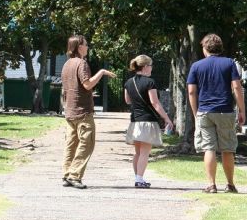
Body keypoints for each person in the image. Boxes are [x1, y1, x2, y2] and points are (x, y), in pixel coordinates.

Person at [186, 34, 246, 193]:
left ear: (205, 48)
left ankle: (211, 184)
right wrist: (241, 110)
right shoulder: (229, 63)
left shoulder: (196, 66)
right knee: (227, 149)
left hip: (205, 111)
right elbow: (236, 87)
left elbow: (192, 92)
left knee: (209, 148)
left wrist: (195, 112)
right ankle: (230, 184)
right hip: (225, 110)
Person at [61, 35, 116, 189]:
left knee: (71, 144)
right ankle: (75, 175)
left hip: (70, 111)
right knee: (87, 143)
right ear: (79, 47)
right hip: (83, 112)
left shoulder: (66, 64)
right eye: (86, 44)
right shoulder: (82, 64)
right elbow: (87, 85)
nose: (88, 47)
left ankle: (66, 174)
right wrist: (102, 72)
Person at [124, 55, 173, 188]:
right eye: (151, 66)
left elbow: (127, 100)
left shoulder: (129, 82)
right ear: (145, 67)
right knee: (145, 153)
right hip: (147, 121)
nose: (151, 68)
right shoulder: (150, 82)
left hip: (135, 121)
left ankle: (138, 177)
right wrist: (166, 118)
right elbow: (155, 103)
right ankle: (139, 179)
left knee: (138, 153)